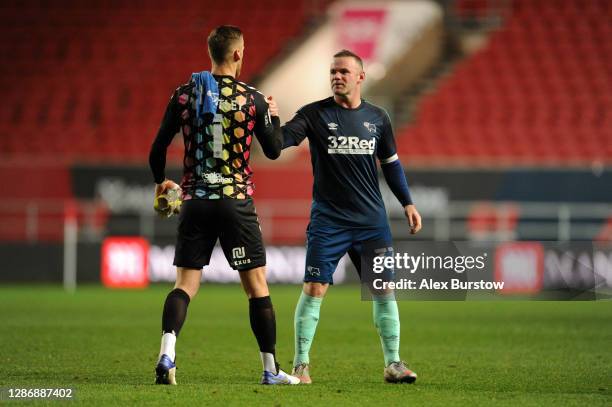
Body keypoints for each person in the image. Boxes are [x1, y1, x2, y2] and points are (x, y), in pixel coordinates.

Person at [148, 25, 299, 386]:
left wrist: (161, 182)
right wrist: (274, 116)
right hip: (235, 202)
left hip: (195, 200)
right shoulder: (253, 99)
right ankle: (270, 369)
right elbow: (275, 149)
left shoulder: (184, 94)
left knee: (184, 284)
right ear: (237, 54)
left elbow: (156, 150)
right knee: (256, 286)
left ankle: (167, 353)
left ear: (211, 53)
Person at [276, 49, 422, 384]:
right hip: (328, 222)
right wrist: (270, 121)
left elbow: (392, 165)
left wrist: (408, 203)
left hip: (372, 222)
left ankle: (393, 364)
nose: (337, 76)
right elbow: (281, 140)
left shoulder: (378, 118)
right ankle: (301, 365)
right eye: (333, 71)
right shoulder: (314, 114)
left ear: (360, 77)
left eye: (344, 71)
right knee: (314, 288)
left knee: (384, 290)